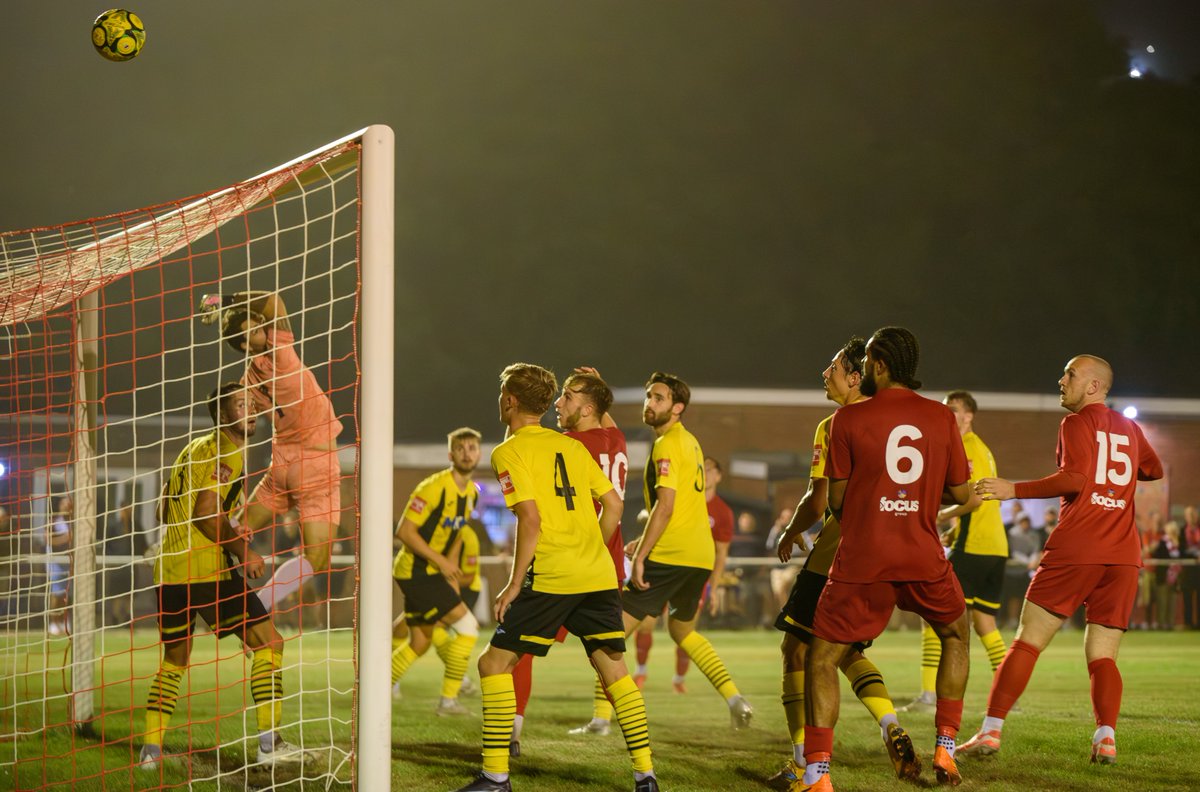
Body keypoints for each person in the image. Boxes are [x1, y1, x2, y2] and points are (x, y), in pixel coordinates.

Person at [453, 363, 658, 792]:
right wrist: (592, 552)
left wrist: (513, 583)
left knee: (493, 664)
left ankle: (495, 777)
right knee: (615, 671)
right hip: (599, 573)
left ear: (509, 401)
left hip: (552, 575)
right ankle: (646, 777)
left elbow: (529, 520)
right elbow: (615, 507)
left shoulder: (508, 452)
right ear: (547, 405)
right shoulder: (571, 447)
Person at [959, 354, 1163, 765]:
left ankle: (991, 732)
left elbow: (1074, 479)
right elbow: (1153, 469)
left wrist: (1012, 490)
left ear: (1092, 386)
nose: (1061, 379)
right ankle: (1106, 737)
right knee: (1103, 655)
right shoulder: (1130, 427)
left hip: (1079, 547)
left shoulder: (1076, 422)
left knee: (1028, 641)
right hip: (1122, 555)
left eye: (1070, 374)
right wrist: (1115, 481)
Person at [800, 326, 972, 791]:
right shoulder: (941, 418)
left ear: (878, 366)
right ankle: (946, 747)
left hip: (863, 560)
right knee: (956, 634)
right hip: (920, 554)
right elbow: (959, 490)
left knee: (821, 659)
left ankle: (817, 775)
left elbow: (835, 501)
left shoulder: (845, 423)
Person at [767, 337, 920, 790]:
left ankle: (803, 764)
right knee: (846, 649)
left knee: (796, 649)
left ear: (857, 377)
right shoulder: (897, 422)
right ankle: (890, 722)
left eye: (832, 366)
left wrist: (793, 531)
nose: (824, 373)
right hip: (887, 558)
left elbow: (820, 499)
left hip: (836, 556)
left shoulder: (836, 423)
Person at [138, 383, 308, 770]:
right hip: (208, 570)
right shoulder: (228, 451)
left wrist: (224, 527)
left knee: (175, 661)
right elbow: (206, 511)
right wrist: (241, 548)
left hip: (170, 571)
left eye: (252, 403)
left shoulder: (194, 448)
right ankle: (269, 745)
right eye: (240, 404)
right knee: (269, 643)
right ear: (224, 415)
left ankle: (150, 752)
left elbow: (166, 506)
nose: (250, 410)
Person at [611, 372, 753, 731]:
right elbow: (684, 510)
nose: (649, 403)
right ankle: (736, 700)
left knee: (609, 636)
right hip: (697, 557)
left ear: (677, 408)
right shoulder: (691, 442)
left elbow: (667, 506)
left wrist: (641, 556)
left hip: (671, 558)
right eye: (648, 396)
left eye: (658, 398)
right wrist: (643, 541)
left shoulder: (667, 444)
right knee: (683, 632)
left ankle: (607, 721)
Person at [200, 290, 343, 612]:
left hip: (280, 465)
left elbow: (240, 424)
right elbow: (274, 300)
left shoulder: (247, 379)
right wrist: (224, 298)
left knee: (237, 527)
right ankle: (258, 609)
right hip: (315, 464)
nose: (264, 324)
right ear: (248, 340)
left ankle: (191, 556)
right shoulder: (280, 352)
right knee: (317, 559)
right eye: (256, 326)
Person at [512, 368, 629, 754]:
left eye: (568, 396)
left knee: (516, 647)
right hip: (606, 565)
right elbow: (604, 418)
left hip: (569, 561)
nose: (559, 403)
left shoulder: (571, 445)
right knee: (608, 659)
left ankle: (510, 734)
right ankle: (638, 757)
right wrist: (596, 389)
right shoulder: (615, 438)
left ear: (588, 407)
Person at [901, 390, 1011, 713]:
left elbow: (975, 498)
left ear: (968, 416)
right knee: (985, 623)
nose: (948, 414)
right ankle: (1008, 695)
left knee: (935, 618)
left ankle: (928, 695)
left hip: (974, 548)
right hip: (994, 546)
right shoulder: (983, 448)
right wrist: (954, 529)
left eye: (953, 410)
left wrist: (941, 516)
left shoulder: (967, 448)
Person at [390, 427, 483, 717]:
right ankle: (448, 701)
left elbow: (455, 535)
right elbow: (404, 531)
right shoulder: (433, 487)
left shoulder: (472, 494)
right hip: (416, 571)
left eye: (472, 448)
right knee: (468, 627)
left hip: (429, 573)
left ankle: (375, 691)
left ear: (478, 453)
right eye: (461, 448)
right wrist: (440, 563)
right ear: (450, 454)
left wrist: (449, 570)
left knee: (419, 641)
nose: (467, 453)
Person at [632, 456, 734, 694]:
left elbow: (721, 553)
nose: (706, 473)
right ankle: (640, 671)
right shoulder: (686, 500)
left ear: (719, 476)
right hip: (664, 570)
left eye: (711, 469)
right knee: (645, 625)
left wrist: (714, 587)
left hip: (693, 578)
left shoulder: (723, 512)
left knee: (682, 632)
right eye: (703, 469)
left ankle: (678, 679)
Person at [45, 495, 72, 635]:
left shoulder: (74, 522)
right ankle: (53, 622)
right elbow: (48, 540)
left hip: (69, 561)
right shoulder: (54, 521)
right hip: (56, 562)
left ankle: (63, 620)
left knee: (66, 594)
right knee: (56, 594)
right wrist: (65, 538)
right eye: (65, 503)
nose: (67, 506)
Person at [1150, 521, 1183, 629]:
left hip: (1175, 577)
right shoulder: (1163, 542)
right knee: (1162, 600)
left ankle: (1170, 623)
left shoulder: (1179, 542)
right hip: (1163, 576)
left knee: (1172, 600)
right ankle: (1161, 623)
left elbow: (1182, 555)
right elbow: (1157, 554)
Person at [1182, 506, 1200, 629]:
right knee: (1187, 596)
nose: (1192, 516)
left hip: (1199, 568)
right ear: (1185, 517)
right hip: (1187, 568)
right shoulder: (1182, 530)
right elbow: (1180, 549)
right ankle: (1188, 623)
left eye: (1193, 514)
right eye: (1189, 514)